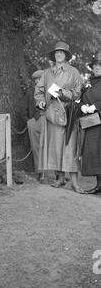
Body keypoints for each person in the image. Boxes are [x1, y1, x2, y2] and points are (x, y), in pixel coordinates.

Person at [34, 41, 84, 193]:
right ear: (54, 55)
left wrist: (62, 93)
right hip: (52, 115)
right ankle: (60, 178)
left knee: (70, 147)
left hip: (68, 114)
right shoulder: (47, 73)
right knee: (56, 147)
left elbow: (78, 93)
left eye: (62, 52)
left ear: (66, 55)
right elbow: (39, 91)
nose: (59, 54)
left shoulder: (73, 72)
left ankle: (75, 182)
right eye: (57, 52)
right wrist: (41, 102)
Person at [79, 52, 101, 194]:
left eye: (100, 65)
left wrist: (96, 106)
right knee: (94, 153)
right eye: (96, 65)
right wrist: (82, 105)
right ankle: (99, 185)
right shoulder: (89, 83)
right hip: (92, 123)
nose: (98, 67)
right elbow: (82, 98)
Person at [22, 69, 44, 181]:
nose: (38, 81)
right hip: (34, 121)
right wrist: (28, 121)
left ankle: (59, 174)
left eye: (40, 78)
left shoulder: (50, 91)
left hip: (47, 120)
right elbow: (24, 109)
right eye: (36, 79)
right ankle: (40, 173)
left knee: (52, 146)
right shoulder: (30, 92)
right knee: (36, 147)